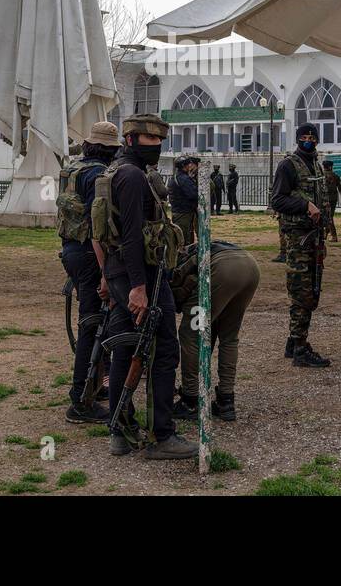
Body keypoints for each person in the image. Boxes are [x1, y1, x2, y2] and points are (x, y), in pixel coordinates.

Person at [94, 113, 196, 460]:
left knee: (125, 347)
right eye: (150, 140)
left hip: (122, 273)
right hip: (143, 277)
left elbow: (105, 233)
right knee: (164, 349)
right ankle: (162, 436)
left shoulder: (115, 172)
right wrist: (138, 286)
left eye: (159, 140)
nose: (157, 146)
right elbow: (133, 237)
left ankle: (120, 430)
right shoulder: (133, 177)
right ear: (132, 139)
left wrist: (110, 277)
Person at [57, 122, 119, 424]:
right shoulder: (97, 176)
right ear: (110, 150)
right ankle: (80, 400)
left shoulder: (71, 169)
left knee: (92, 324)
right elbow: (98, 229)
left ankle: (93, 388)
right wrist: (106, 273)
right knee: (92, 326)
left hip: (70, 251)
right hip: (89, 255)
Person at [172, 240, 261, 421]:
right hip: (250, 266)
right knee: (229, 337)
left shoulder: (177, 261)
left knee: (191, 334)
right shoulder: (195, 249)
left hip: (222, 268)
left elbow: (181, 294)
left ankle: (190, 399)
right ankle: (226, 400)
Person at [269, 122, 330, 368]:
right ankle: (300, 349)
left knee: (312, 291)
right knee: (302, 293)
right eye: (304, 136)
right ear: (297, 139)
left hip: (314, 238)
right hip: (298, 240)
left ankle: (293, 342)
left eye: (312, 136)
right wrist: (305, 205)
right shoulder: (288, 165)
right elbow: (278, 200)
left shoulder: (315, 163)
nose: (308, 140)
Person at [167, 156, 199, 246]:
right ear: (184, 165)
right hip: (184, 213)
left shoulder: (176, 177)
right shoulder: (184, 179)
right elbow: (193, 194)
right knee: (186, 240)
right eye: (187, 164)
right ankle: (185, 259)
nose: (189, 166)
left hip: (178, 211)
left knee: (180, 238)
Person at [323, 162, 341, 241]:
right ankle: (326, 233)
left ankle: (333, 235)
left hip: (325, 199)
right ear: (331, 166)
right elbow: (340, 188)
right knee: (330, 216)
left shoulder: (322, 176)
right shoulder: (336, 176)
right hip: (333, 199)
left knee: (327, 217)